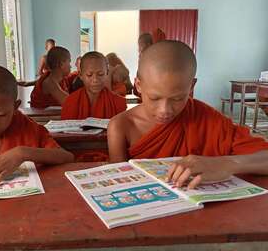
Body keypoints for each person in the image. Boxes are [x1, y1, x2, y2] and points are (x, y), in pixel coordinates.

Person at [108, 40, 268, 189]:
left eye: (177, 98)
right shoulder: (121, 126)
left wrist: (227, 163)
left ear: (191, 86)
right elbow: (120, 184)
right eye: (154, 98)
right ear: (139, 85)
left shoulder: (206, 119)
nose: (165, 110)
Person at [61, 51, 126, 120]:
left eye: (100, 74)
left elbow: (122, 129)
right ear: (81, 75)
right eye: (89, 75)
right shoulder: (70, 102)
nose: (95, 80)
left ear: (107, 73)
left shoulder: (118, 103)